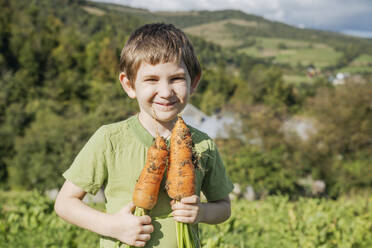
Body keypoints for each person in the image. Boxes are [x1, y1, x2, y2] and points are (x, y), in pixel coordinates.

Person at [54, 23, 234, 248]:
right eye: (151, 80)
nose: (166, 92)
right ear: (129, 85)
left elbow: (223, 207)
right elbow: (64, 204)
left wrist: (202, 212)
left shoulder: (203, 144)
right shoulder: (109, 139)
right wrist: (112, 226)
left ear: (193, 82)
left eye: (176, 78)